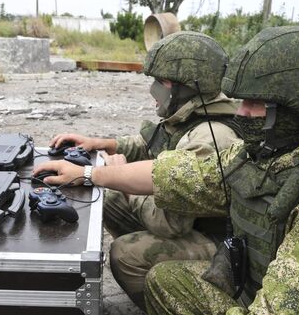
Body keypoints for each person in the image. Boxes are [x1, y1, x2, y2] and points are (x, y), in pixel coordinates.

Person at [35, 26, 299, 314]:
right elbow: (174, 174)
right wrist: (88, 175)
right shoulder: (280, 151)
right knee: (167, 281)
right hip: (263, 277)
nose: (242, 112)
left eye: (256, 104)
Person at [47, 31, 241, 309]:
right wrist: (106, 144)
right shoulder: (195, 112)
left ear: (184, 86)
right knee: (110, 199)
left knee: (126, 254)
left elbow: (170, 223)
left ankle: (166, 302)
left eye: (162, 82)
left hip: (217, 239)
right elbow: (156, 143)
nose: (155, 91)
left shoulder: (211, 136)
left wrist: (121, 180)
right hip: (188, 220)